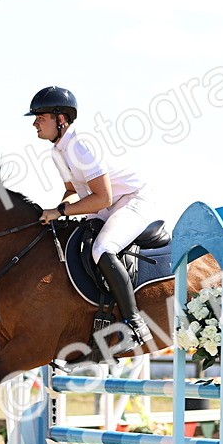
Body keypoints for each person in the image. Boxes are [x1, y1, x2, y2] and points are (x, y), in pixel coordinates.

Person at [29, 86, 153, 347]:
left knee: (102, 248)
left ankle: (135, 324)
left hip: (131, 200)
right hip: (105, 205)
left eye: (41, 117)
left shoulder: (80, 146)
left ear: (60, 120)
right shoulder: (57, 151)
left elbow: (102, 198)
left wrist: (60, 211)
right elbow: (73, 191)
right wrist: (58, 210)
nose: (35, 123)